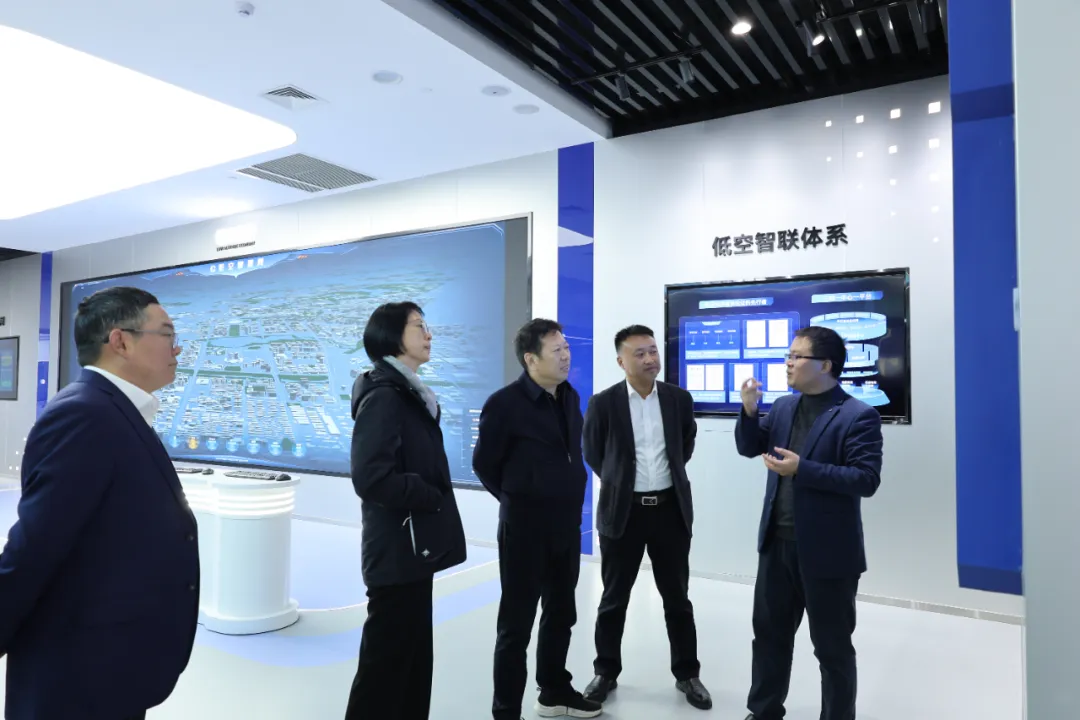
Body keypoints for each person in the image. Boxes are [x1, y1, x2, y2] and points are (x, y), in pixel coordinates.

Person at [0, 286, 199, 720]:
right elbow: (36, 546)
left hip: (110, 661)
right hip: (77, 672)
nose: (177, 348)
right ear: (120, 341)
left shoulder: (115, 410)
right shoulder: (85, 414)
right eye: (167, 334)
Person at [734, 325, 883, 720]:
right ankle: (764, 711)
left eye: (796, 356)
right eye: (788, 355)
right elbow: (749, 447)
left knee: (832, 648)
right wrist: (749, 410)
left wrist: (803, 469)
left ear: (826, 365)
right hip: (777, 544)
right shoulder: (784, 407)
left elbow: (865, 480)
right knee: (769, 637)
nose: (788, 363)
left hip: (828, 553)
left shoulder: (858, 415)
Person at [473, 318, 601, 720]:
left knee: (561, 613)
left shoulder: (569, 397)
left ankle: (554, 691)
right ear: (531, 359)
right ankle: (506, 710)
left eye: (567, 348)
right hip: (524, 530)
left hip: (565, 526)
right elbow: (484, 465)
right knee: (516, 625)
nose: (566, 356)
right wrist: (519, 498)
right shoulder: (504, 404)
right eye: (556, 350)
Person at [344, 301, 467, 720]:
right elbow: (371, 477)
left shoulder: (407, 392)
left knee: (412, 662)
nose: (428, 334)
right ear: (392, 335)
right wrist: (428, 494)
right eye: (418, 326)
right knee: (384, 670)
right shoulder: (385, 396)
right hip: (397, 549)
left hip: (414, 547)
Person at [581, 325, 711, 710]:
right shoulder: (604, 403)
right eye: (640, 353)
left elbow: (685, 445)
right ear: (621, 361)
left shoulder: (677, 399)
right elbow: (593, 453)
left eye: (653, 351)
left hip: (670, 510)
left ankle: (687, 674)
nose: (650, 359)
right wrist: (623, 482)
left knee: (677, 598)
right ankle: (605, 671)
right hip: (624, 513)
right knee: (613, 599)